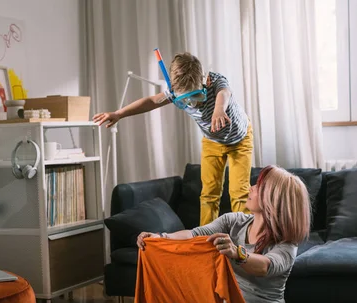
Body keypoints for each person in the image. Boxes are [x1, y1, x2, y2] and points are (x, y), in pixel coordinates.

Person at [136, 165, 311, 303]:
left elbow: (266, 266)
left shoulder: (287, 244)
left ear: (274, 198)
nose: (251, 187)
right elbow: (194, 234)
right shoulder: (233, 221)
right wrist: (160, 237)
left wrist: (237, 253)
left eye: (259, 186)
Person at [93, 52, 253, 226]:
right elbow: (152, 101)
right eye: (186, 100)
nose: (193, 103)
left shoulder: (214, 81)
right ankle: (207, 237)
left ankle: (242, 238)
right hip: (212, 142)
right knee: (208, 193)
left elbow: (225, 93)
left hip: (239, 140)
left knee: (239, 192)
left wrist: (219, 109)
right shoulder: (174, 92)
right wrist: (119, 113)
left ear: (204, 81)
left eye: (196, 96)